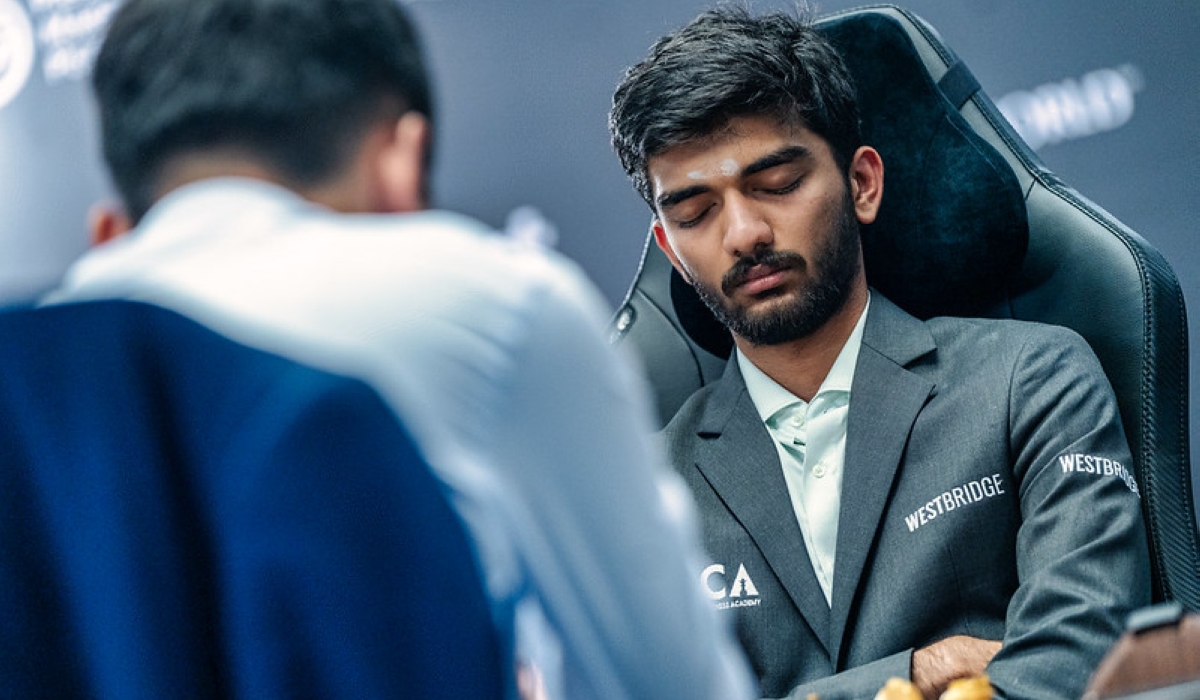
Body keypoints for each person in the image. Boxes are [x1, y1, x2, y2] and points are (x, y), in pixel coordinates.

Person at [43, 1, 756, 699]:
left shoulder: (40, 352)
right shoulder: (498, 305)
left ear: (111, 226)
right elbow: (660, 683)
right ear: (401, 159)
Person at [608, 7, 1150, 700]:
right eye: (695, 213)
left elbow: (1083, 664)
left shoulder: (1032, 380)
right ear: (670, 253)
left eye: (776, 185)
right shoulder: (650, 492)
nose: (743, 232)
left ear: (862, 183)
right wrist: (915, 672)